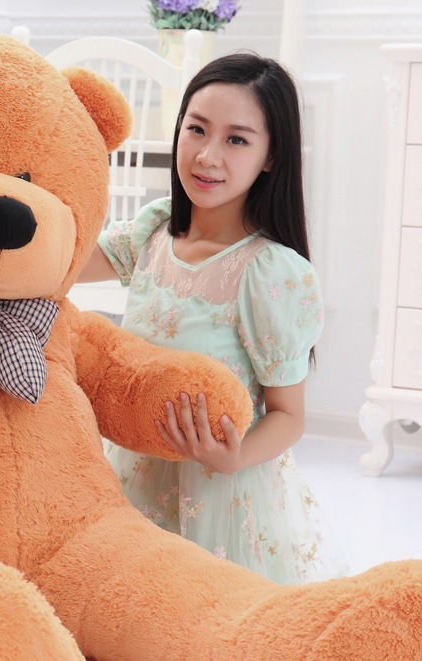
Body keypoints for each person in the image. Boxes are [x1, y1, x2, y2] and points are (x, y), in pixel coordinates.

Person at [78, 53, 347, 584]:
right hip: (133, 469)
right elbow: (57, 264)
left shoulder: (269, 273)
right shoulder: (154, 232)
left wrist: (232, 458)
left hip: (220, 496)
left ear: (271, 157)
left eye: (237, 140)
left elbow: (288, 416)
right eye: (196, 129)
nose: (207, 156)